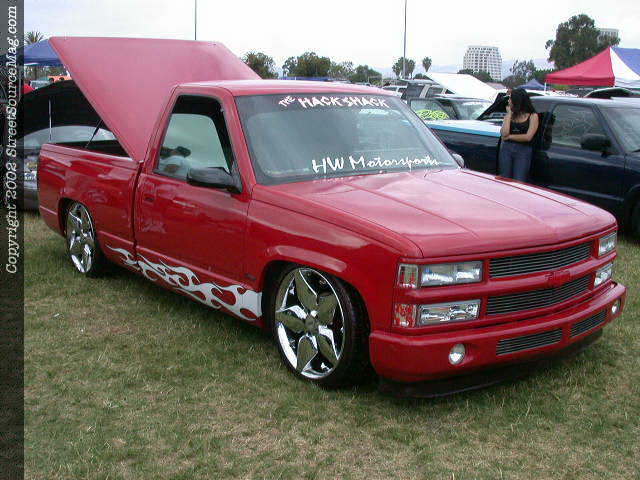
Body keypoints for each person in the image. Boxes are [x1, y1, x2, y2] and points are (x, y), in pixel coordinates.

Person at [499, 88, 539, 181]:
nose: (508, 101)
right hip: (507, 149)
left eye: (510, 99)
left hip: (523, 150)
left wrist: (509, 137)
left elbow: (528, 137)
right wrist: (509, 114)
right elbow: (504, 133)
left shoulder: (533, 116)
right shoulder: (509, 115)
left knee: (519, 179)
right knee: (505, 178)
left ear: (517, 101)